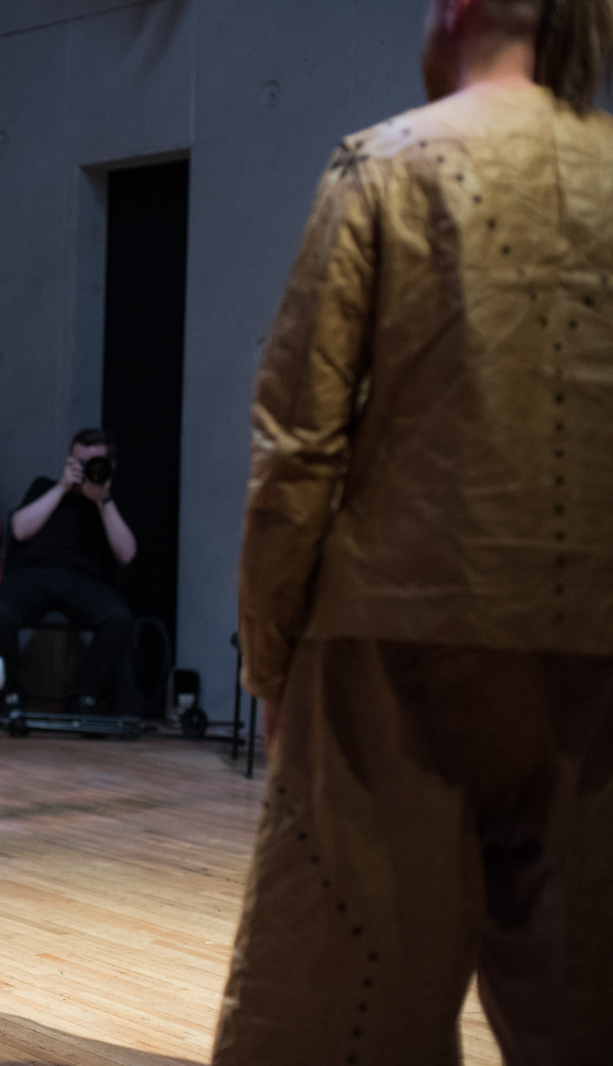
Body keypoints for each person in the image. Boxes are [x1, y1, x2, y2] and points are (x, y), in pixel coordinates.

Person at [215, 3, 613, 1062]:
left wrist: (270, 653)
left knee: (347, 1013)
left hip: (392, 659)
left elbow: (298, 445)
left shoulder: (385, 166)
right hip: (598, 661)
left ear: (457, 10)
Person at [0, 429, 138, 714]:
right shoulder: (44, 486)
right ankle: (11, 697)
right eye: (79, 462)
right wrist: (62, 487)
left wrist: (103, 500)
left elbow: (126, 554)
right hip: (33, 575)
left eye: (94, 463)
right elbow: (19, 530)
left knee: (118, 618)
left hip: (84, 581)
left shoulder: (110, 501)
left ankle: (83, 697)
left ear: (110, 466)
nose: (85, 469)